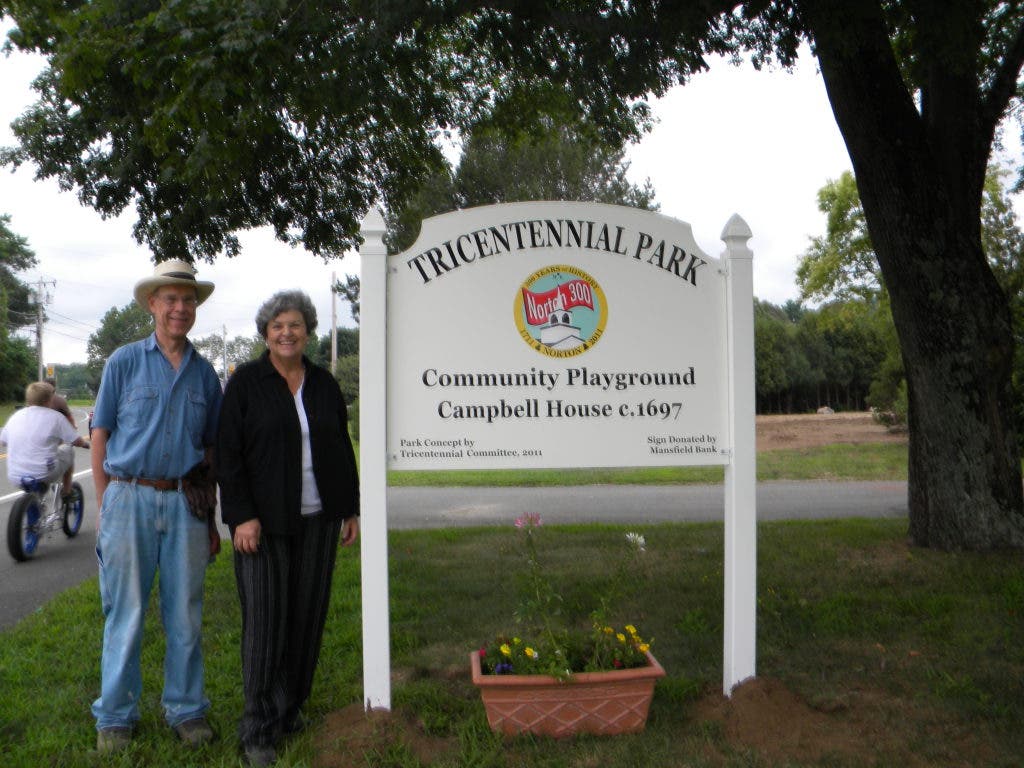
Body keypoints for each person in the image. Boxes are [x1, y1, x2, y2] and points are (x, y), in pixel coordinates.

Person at [217, 289, 359, 767]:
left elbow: (340, 444)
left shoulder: (322, 383)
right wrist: (240, 516)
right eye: (278, 325)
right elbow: (228, 454)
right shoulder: (246, 383)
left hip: (318, 519)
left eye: (295, 325)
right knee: (264, 623)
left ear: (308, 331)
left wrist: (349, 508)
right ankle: (257, 727)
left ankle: (289, 707)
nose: (286, 333)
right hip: (262, 524)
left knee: (306, 618)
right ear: (265, 333)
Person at [89, 259, 223, 753]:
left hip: (186, 504)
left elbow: (210, 452)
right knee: (124, 611)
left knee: (185, 613)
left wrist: (210, 517)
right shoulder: (124, 361)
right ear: (152, 304)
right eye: (170, 299)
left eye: (188, 300)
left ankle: (186, 709)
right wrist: (107, 504)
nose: (179, 308)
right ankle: (116, 715)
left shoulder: (206, 375)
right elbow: (99, 434)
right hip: (129, 498)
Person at [1, 381, 89, 494]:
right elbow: (76, 441)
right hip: (45, 473)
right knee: (69, 450)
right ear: (48, 400)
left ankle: (32, 505)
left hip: (15, 476)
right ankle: (67, 492)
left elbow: (3, 442)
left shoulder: (16, 416)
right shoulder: (56, 417)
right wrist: (84, 444)